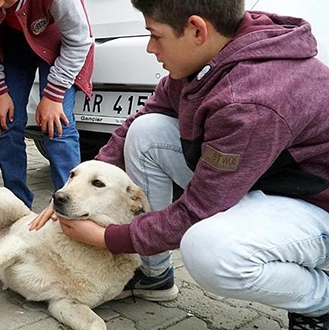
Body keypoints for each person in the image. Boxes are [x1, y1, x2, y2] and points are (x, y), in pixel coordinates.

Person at [31, 0, 329, 328]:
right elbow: (141, 119)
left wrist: (108, 238)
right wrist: (80, 185)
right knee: (147, 133)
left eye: (155, 36)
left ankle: (320, 302)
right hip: (264, 179)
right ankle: (155, 276)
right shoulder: (211, 57)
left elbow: (196, 211)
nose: (150, 48)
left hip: (314, 205)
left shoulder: (248, 100)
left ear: (197, 30)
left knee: (209, 251)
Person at [0, 0, 94, 208]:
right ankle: (17, 207)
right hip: (15, 44)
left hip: (62, 46)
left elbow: (79, 41)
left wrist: (54, 95)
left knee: (57, 127)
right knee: (5, 123)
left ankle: (71, 208)